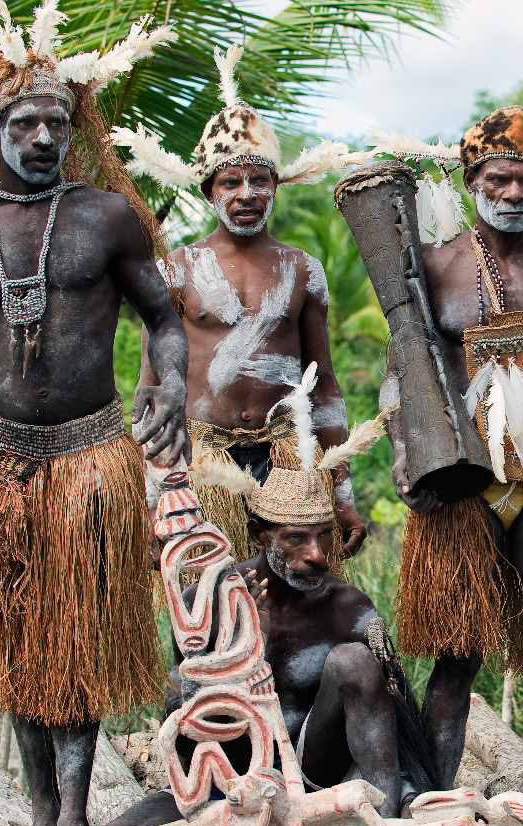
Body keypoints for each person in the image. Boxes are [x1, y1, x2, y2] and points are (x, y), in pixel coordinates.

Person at [0, 12, 184, 826]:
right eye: (23, 123)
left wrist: (170, 382)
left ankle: (72, 816)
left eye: (55, 123)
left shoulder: (108, 217)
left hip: (92, 452)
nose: (40, 137)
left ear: (75, 129)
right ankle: (41, 815)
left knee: (79, 638)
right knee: (19, 640)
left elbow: (165, 320)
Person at [377, 106, 523, 808]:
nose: (514, 194)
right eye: (499, 178)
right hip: (467, 480)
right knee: (457, 655)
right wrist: (404, 452)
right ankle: (433, 805)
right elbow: (403, 373)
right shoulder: (435, 266)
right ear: (471, 178)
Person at [100, 392, 427, 826]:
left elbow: (395, 717)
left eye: (323, 537)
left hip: (314, 780)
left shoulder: (349, 607)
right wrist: (243, 649)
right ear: (259, 533)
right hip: (229, 784)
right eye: (296, 539)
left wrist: (407, 797)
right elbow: (180, 719)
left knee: (355, 662)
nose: (316, 555)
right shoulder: (205, 601)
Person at [116, 44, 367, 564]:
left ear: (277, 185)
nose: (246, 192)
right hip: (202, 456)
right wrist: (151, 492)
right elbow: (150, 383)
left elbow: (325, 386)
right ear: (210, 190)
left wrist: (342, 493)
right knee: (206, 595)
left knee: (293, 598)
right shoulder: (178, 269)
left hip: (288, 454)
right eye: (231, 181)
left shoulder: (303, 269)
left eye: (259, 179)